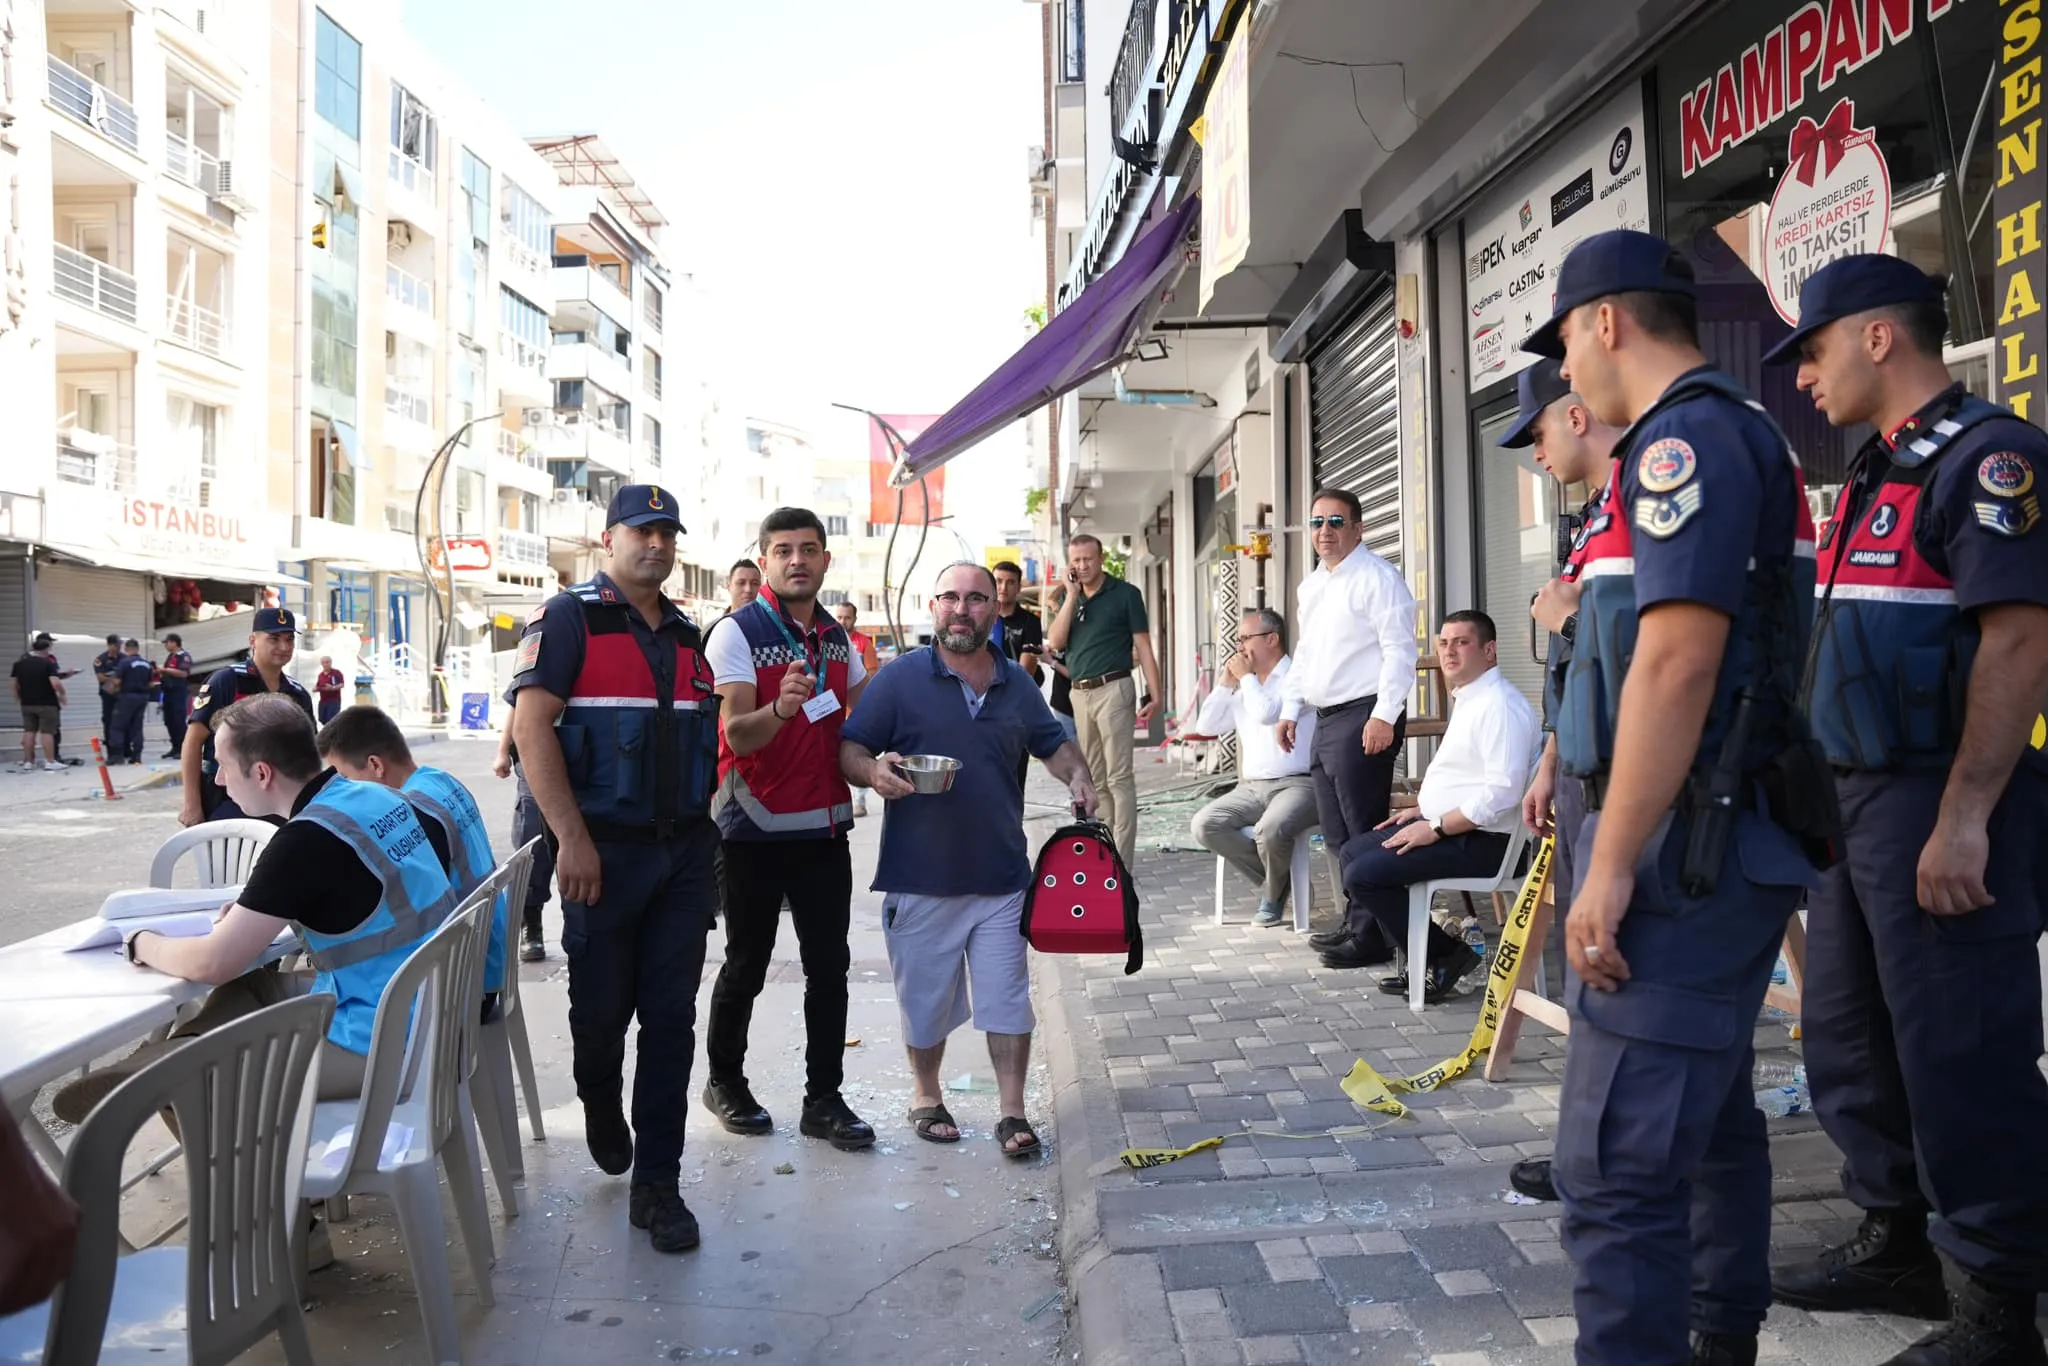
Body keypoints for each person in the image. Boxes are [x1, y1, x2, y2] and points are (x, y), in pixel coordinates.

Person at [1524, 228, 1822, 1366]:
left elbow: (1674, 664)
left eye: (1561, 343)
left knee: (1612, 1169)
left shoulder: (1683, 442)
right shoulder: (1714, 434)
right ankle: (1716, 1337)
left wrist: (1607, 866)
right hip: (1702, 832)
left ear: (1605, 321)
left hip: (1680, 843)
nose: (1562, 373)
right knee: (1702, 1125)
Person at [1762, 254, 2048, 1361]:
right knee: (1846, 1036)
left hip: (1937, 796)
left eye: (1813, 350)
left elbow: (2019, 641)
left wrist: (1965, 814)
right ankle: (1898, 1240)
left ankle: (1994, 1304)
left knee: (1957, 1052)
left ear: (1878, 336)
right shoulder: (1880, 471)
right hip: (1852, 803)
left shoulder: (1990, 461)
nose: (1801, 379)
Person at [509, 482, 722, 1254]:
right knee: (601, 1017)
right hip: (603, 854)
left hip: (684, 856)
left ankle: (658, 1189)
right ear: (609, 540)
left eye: (668, 532)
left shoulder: (691, 636)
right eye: (642, 530)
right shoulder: (569, 618)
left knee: (670, 1022)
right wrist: (571, 840)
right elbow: (533, 729)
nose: (657, 544)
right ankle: (599, 1097)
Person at [77, 694, 457, 1108]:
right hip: (426, 1001)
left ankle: (172, 1082)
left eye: (221, 766)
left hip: (382, 1040)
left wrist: (140, 942)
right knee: (254, 988)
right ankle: (162, 1061)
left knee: (197, 1085)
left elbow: (212, 964)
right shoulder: (372, 796)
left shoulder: (303, 841)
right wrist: (258, 913)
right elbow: (361, 891)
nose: (218, 781)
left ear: (261, 773)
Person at [838, 561, 1098, 1154]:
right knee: (925, 1002)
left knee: (1008, 999)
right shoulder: (902, 678)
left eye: (976, 599)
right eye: (951, 598)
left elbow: (1053, 745)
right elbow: (851, 746)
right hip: (920, 876)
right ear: (934, 607)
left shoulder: (1015, 682)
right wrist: (872, 771)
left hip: (1003, 875)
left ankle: (1011, 1112)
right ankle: (926, 1094)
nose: (963, 609)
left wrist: (1078, 777)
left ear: (994, 608)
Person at [701, 506, 875, 1153]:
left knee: (830, 967)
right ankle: (723, 1083)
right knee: (746, 964)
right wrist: (780, 707)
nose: (796, 560)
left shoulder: (837, 640)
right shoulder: (735, 634)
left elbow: (865, 714)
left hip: (826, 828)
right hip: (750, 828)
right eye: (783, 550)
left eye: (808, 549)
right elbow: (735, 733)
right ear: (765, 559)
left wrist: (886, 762)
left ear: (826, 560)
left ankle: (823, 1101)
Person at [1502, 359, 1625, 1205]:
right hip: (1579, 769)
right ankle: (1587, 1147)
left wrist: (1568, 615)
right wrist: (1548, 760)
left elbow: (1651, 654)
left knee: (1617, 971)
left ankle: (1607, 1155)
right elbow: (1570, 677)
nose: (1534, 454)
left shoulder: (1650, 504)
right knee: (1590, 973)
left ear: (1575, 415)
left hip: (1630, 778)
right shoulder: (1588, 523)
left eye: (1537, 433)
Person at [1322, 611, 1539, 995]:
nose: (1449, 651)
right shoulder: (1472, 697)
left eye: (1462, 642)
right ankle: (1427, 953)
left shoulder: (1500, 706)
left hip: (1489, 844)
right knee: (1354, 853)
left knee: (1364, 874)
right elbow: (1470, 779)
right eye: (1444, 643)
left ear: (1489, 651)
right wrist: (1424, 811)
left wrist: (1435, 827)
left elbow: (1502, 793)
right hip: (1456, 827)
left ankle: (1444, 955)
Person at [1276, 487, 1419, 965]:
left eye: (1336, 522)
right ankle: (1357, 923)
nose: (1325, 532)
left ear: (1358, 528)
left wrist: (1385, 713)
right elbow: (1308, 655)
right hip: (1326, 718)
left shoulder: (1378, 578)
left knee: (1363, 830)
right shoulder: (1312, 586)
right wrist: (1289, 709)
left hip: (1364, 715)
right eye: (1317, 522)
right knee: (1336, 834)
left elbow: (1401, 650)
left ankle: (1376, 935)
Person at [317, 705, 510, 1010]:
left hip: (463, 982)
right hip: (488, 952)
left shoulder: (411, 811)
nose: (341, 790)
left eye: (344, 777)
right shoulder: (439, 781)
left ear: (375, 765)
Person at [1187, 607, 1319, 927]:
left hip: (1299, 784)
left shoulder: (1297, 676)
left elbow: (1268, 713)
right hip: (1251, 787)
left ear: (1271, 639)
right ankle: (1280, 883)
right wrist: (1225, 682)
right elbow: (1207, 725)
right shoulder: (1246, 684)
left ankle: (1273, 898)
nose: (1240, 647)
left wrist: (1246, 678)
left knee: (1269, 828)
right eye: (1239, 639)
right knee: (1205, 824)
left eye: (1245, 638)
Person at [1044, 534, 1161, 863]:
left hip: (1114, 688)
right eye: (1076, 560)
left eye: (1088, 559)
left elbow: (1144, 648)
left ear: (1101, 559)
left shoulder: (1125, 594)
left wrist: (1156, 693)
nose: (1082, 566)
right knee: (1095, 777)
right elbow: (1054, 642)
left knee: (1119, 776)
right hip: (1079, 694)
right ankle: (1107, 853)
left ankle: (1122, 863)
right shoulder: (1071, 598)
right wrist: (1070, 595)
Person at [179, 609, 315, 825]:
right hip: (226, 796)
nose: (284, 647)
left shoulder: (297, 694)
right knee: (230, 858)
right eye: (274, 639)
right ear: (253, 640)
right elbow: (193, 742)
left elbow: (307, 754)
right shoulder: (227, 681)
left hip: (280, 802)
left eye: (289, 640)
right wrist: (191, 804)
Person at [492, 692, 555, 962]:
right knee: (534, 853)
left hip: (584, 768)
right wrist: (503, 752)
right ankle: (531, 927)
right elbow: (518, 706)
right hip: (535, 768)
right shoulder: (542, 653)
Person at [992, 559, 1045, 791]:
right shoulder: (979, 620)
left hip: (1015, 709)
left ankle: (1012, 827)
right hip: (979, 711)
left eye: (1010, 582)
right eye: (998, 581)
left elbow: (1025, 672)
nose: (1003, 587)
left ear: (1018, 587)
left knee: (1014, 780)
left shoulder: (1030, 623)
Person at [833, 601, 882, 817]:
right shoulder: (829, 639)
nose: (843, 621)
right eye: (840, 617)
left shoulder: (864, 644)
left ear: (855, 618)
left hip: (856, 712)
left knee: (858, 754)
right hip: (835, 711)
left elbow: (871, 675)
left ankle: (859, 802)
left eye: (847, 617)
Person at [10, 633, 66, 772]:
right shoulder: (48, 663)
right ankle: (50, 761)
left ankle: (29, 762)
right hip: (46, 703)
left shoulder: (19, 664)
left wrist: (18, 698)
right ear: (46, 649)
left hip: (27, 703)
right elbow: (55, 683)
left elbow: (14, 684)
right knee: (47, 732)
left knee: (29, 731)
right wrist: (62, 694)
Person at [108, 639, 153, 764]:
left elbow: (116, 682)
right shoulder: (146, 664)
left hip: (127, 697)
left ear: (126, 649)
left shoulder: (125, 662)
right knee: (137, 727)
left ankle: (117, 756)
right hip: (142, 697)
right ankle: (136, 756)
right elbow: (151, 683)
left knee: (117, 726)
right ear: (137, 649)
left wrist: (111, 692)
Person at [159, 633, 194, 760]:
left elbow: (183, 673)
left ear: (174, 643)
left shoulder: (183, 656)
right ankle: (175, 747)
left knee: (178, 721)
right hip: (168, 692)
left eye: (167, 642)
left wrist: (164, 670)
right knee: (169, 721)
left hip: (178, 692)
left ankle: (184, 749)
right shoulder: (170, 656)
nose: (166, 645)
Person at [92, 633, 123, 755]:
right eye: (116, 645)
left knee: (123, 721)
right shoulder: (101, 659)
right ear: (110, 645)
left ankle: (124, 750)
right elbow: (100, 678)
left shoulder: (124, 658)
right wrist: (116, 679)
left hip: (121, 694)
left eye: (120, 645)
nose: (119, 647)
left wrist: (112, 678)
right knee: (108, 721)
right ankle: (111, 751)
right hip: (108, 695)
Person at [314, 656, 346, 725]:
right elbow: (318, 685)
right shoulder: (321, 675)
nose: (325, 664)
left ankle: (332, 734)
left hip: (333, 701)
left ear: (331, 663)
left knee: (331, 720)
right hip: (323, 701)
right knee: (322, 719)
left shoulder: (336, 673)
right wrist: (315, 688)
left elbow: (341, 684)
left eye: (327, 662)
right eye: (323, 662)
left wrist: (332, 688)